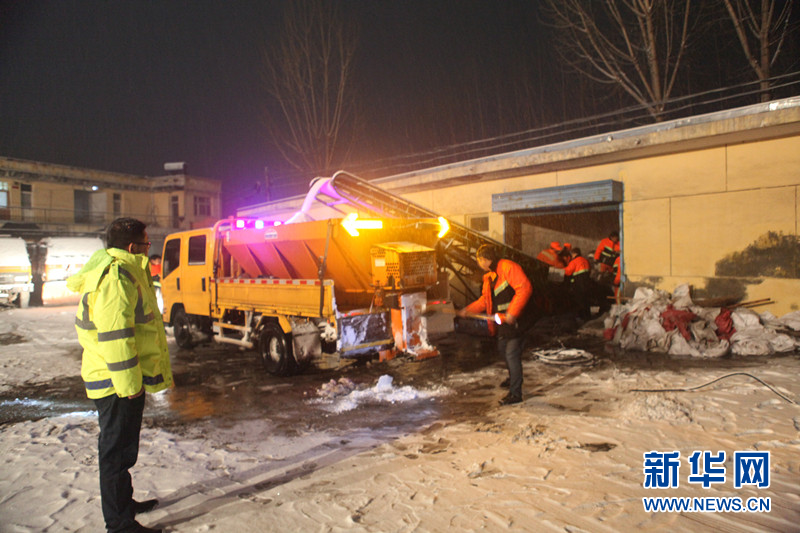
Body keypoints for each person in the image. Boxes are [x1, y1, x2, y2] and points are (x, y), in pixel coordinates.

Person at [67, 218, 173, 533]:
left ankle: (123, 505)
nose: (148, 249)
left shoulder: (123, 270)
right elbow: (116, 336)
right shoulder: (116, 276)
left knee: (123, 449)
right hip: (116, 382)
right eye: (146, 243)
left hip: (119, 378)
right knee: (114, 452)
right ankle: (119, 523)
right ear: (132, 247)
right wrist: (129, 386)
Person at [457, 244, 532, 405]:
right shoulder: (489, 277)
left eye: (479, 260)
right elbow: (485, 301)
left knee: (511, 353)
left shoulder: (508, 267)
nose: (478, 263)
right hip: (503, 323)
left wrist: (512, 313)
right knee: (503, 349)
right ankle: (512, 377)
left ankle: (515, 393)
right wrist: (467, 311)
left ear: (485, 259)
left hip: (517, 321)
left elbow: (524, 288)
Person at [564, 247, 592, 321]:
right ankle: (587, 317)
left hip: (578, 283)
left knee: (578, 300)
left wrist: (561, 269)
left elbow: (568, 272)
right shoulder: (585, 260)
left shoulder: (574, 261)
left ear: (574, 253)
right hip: (586, 283)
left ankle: (580, 317)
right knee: (586, 300)